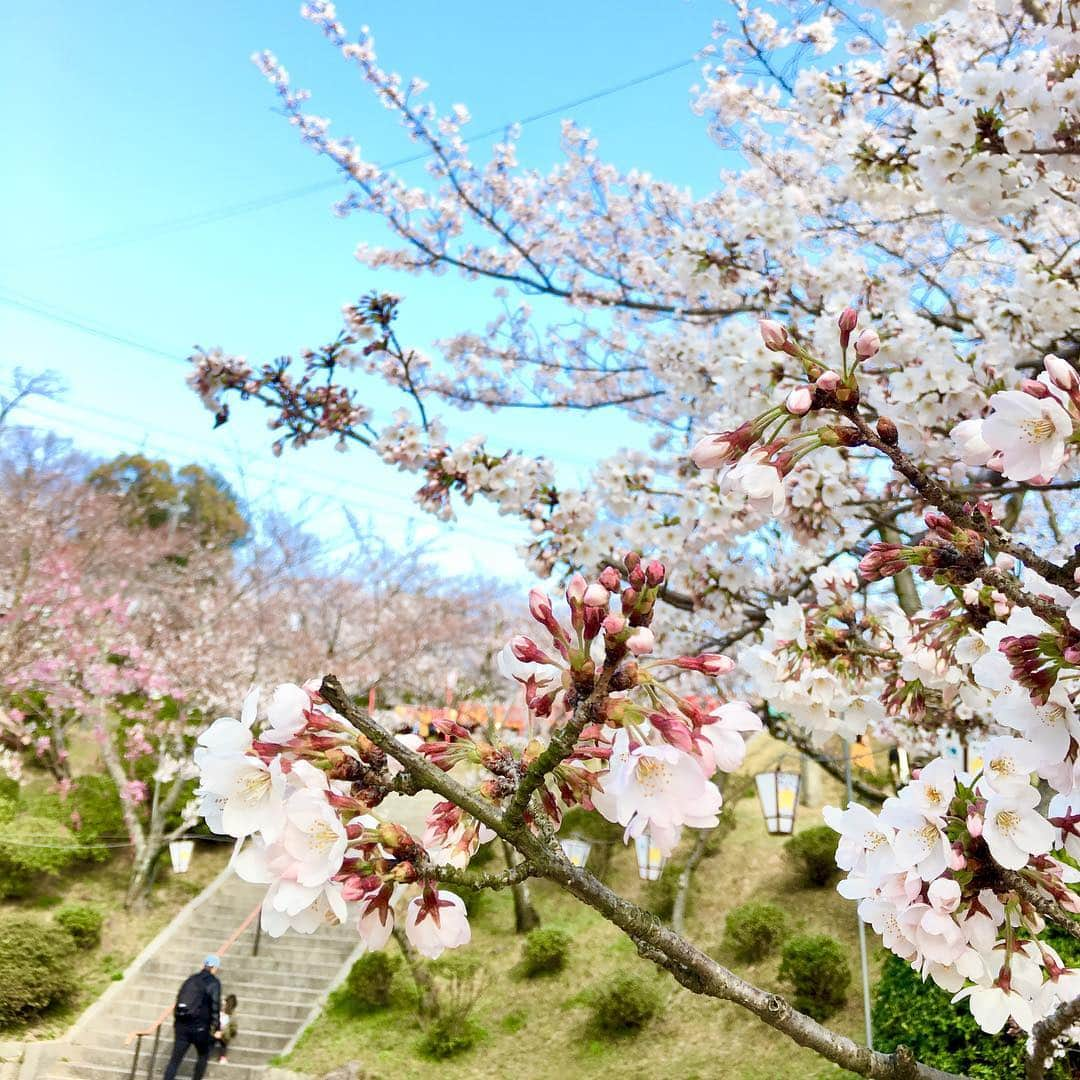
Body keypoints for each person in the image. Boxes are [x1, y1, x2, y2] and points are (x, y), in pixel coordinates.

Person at [163, 954, 221, 1080]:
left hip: (182, 1026)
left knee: (174, 1060)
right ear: (215, 968)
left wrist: (178, 1022)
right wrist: (216, 1027)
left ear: (204, 965)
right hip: (200, 1028)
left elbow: (179, 999)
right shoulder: (214, 983)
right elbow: (215, 1006)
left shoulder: (191, 980)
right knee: (203, 1055)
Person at [212, 994, 238, 1064]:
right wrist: (232, 1034)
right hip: (223, 1033)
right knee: (224, 1044)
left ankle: (206, 1052)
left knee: (213, 1041)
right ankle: (223, 1057)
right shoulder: (232, 1014)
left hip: (217, 1031)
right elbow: (234, 1027)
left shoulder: (221, 1009)